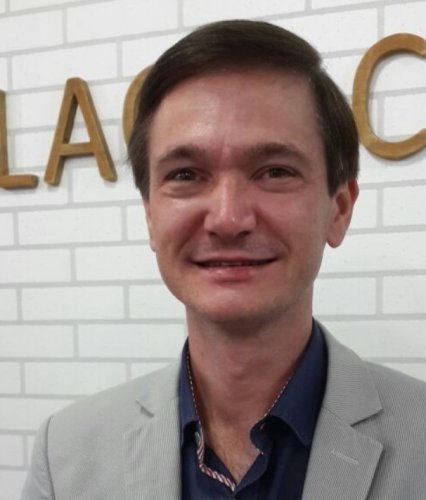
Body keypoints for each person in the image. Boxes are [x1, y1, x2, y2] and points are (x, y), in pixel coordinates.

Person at [22, 20, 426, 500]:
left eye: (275, 171)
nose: (228, 218)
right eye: (186, 174)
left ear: (338, 209)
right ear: (150, 215)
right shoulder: (66, 454)